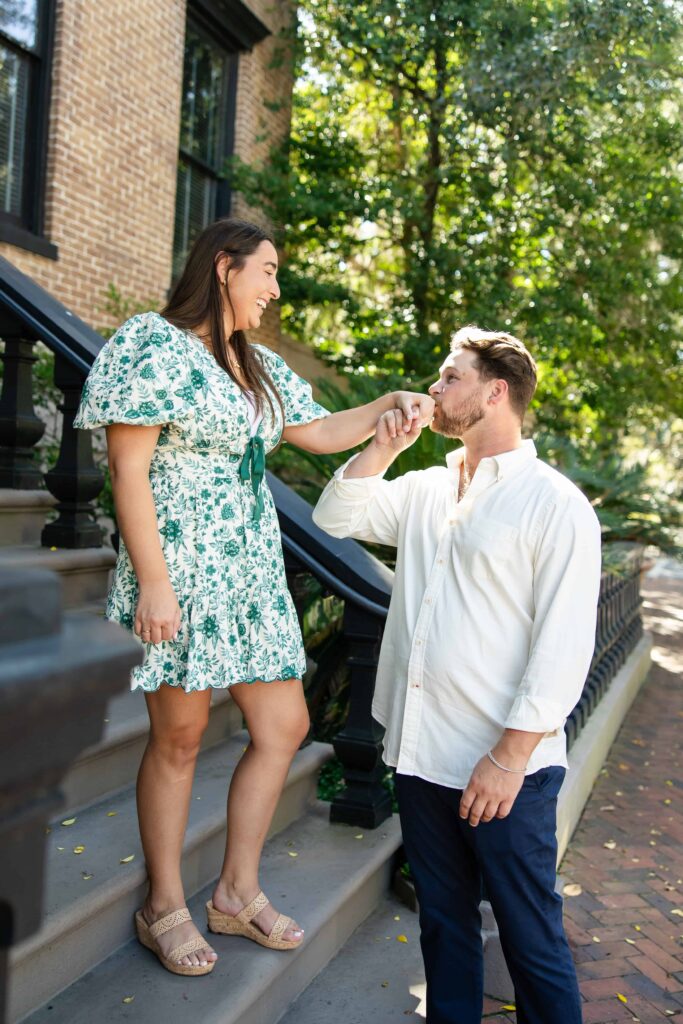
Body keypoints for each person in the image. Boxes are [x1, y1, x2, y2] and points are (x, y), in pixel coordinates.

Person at [74, 218, 434, 977]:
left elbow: (317, 430)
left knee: (284, 724)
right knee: (178, 736)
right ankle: (163, 903)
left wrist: (385, 410)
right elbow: (128, 472)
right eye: (266, 272)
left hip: (250, 575)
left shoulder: (256, 364)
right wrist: (156, 584)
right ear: (224, 268)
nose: (273, 290)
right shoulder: (152, 345)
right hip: (178, 570)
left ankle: (235, 893)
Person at [312, 326, 601, 1024]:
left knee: (530, 938)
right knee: (442, 927)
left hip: (505, 771)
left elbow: (561, 648)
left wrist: (506, 760)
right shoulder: (425, 487)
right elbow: (334, 515)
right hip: (419, 756)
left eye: (449, 378)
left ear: (494, 392)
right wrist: (383, 446)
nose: (433, 390)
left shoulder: (554, 504)